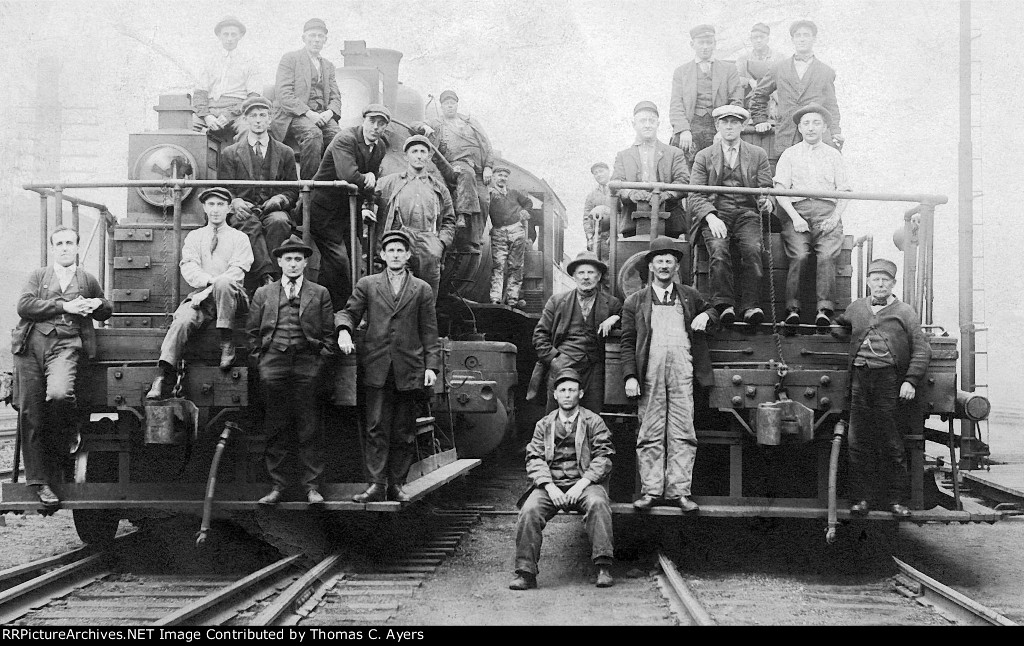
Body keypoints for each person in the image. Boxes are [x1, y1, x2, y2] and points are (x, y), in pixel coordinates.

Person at [336, 230, 441, 504]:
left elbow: (429, 332)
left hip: (408, 367)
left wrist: (432, 367)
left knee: (404, 431)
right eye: (390, 250)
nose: (395, 255)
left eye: (400, 251)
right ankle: (376, 485)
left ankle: (397, 484)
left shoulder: (421, 289)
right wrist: (344, 330)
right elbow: (348, 311)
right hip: (377, 366)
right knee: (375, 427)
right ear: (382, 255)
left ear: (408, 255)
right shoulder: (368, 284)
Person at [13, 226, 112, 506]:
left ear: (77, 248)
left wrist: (96, 303)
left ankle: (70, 432)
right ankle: (40, 483)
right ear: (53, 248)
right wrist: (64, 307)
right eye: (60, 243)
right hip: (32, 346)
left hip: (67, 345)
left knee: (59, 394)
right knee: (30, 412)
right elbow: (24, 306)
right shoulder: (39, 276)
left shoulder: (87, 278)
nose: (65, 247)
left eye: (70, 243)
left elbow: (106, 308)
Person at [620, 237, 717, 512]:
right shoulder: (635, 301)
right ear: (650, 266)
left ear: (676, 267)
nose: (664, 266)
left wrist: (707, 316)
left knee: (683, 430)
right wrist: (630, 376)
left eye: (669, 261)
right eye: (659, 261)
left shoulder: (689, 295)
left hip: (682, 370)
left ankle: (679, 492)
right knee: (649, 431)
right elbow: (628, 341)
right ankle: (650, 491)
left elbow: (714, 311)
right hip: (649, 372)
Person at [834, 259, 931, 518]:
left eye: (885, 280)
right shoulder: (856, 308)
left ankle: (896, 500)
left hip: (889, 380)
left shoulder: (905, 312)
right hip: (859, 380)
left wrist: (910, 380)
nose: (880, 284)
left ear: (893, 284)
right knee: (857, 441)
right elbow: (842, 323)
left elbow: (922, 349)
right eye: (875, 279)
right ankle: (860, 499)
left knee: (891, 441)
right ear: (868, 282)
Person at [248, 237, 335, 506]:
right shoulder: (264, 293)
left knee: (310, 427)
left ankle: (311, 487)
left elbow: (329, 336)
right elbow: (251, 333)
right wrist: (261, 363)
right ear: (279, 262)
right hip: (273, 363)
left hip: (308, 364)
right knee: (276, 426)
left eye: (298, 259)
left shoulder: (320, 293)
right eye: (288, 259)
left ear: (306, 262)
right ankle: (278, 486)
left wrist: (320, 363)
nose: (293, 264)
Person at [511, 367, 615, 591]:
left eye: (572, 390)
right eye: (563, 390)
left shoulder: (594, 422)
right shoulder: (544, 425)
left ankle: (603, 567)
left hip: (585, 484)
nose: (567, 394)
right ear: (555, 394)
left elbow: (603, 458)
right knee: (529, 510)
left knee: (598, 503)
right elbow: (534, 458)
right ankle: (525, 572)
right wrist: (549, 487)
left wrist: (582, 484)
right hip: (552, 485)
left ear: (581, 394)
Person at [146, 188, 253, 400]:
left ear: (229, 208)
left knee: (224, 283)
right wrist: (207, 287)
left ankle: (226, 343)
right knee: (182, 320)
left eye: (220, 205)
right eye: (211, 205)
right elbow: (189, 268)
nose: (215, 210)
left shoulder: (239, 238)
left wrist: (210, 290)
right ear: (204, 208)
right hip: (201, 297)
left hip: (233, 299)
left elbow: (237, 272)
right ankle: (163, 374)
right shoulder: (195, 237)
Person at [688, 105, 774, 326]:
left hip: (747, 214)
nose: (729, 126)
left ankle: (750, 306)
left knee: (753, 249)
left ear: (743, 126)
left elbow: (766, 189)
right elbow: (695, 194)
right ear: (717, 125)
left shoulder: (758, 154)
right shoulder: (704, 156)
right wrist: (710, 217)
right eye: (724, 122)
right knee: (718, 249)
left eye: (734, 122)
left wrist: (766, 203)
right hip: (717, 213)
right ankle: (723, 306)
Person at [773, 103, 851, 330]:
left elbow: (845, 191)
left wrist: (835, 217)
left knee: (826, 255)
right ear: (799, 127)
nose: (811, 128)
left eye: (816, 123)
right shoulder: (789, 154)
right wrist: (795, 217)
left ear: (825, 127)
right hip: (797, 213)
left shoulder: (834, 156)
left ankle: (824, 311)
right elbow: (780, 191)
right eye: (806, 123)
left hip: (827, 212)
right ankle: (792, 310)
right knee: (799, 255)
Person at [310, 104, 392, 311]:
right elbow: (348, 175)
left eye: (381, 124)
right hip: (324, 209)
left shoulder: (379, 147)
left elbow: (367, 184)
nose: (376, 127)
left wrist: (366, 205)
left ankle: (323, 309)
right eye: (372, 121)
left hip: (348, 210)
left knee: (339, 262)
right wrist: (369, 178)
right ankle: (344, 310)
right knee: (339, 261)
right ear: (363, 121)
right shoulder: (345, 139)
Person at [219, 96, 298, 286]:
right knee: (248, 224)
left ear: (269, 120)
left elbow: (292, 190)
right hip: (243, 210)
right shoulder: (230, 153)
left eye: (263, 115)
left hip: (273, 209)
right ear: (246, 120)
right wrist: (235, 202)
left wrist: (280, 198)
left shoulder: (285, 152)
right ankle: (266, 278)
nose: (258, 120)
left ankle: (278, 278)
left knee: (279, 222)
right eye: (253, 116)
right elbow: (224, 189)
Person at [532, 252, 621, 415]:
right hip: (562, 365)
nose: (586, 277)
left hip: (593, 369)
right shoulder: (557, 302)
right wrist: (554, 359)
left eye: (591, 272)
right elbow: (539, 335)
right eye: (581, 273)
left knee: (591, 417)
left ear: (599, 276)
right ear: (574, 276)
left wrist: (614, 318)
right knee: (556, 417)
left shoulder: (612, 304)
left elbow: (628, 321)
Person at [372, 134, 456, 302]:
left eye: (423, 152)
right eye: (414, 151)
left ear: (429, 156)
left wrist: (440, 244)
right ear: (406, 156)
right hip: (401, 241)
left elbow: (449, 220)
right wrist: (365, 209)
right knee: (397, 295)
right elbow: (368, 197)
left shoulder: (439, 188)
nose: (419, 155)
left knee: (427, 299)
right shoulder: (389, 182)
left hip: (429, 245)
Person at [749, 20, 844, 164]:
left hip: (816, 136)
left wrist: (835, 130)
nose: (802, 39)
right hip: (787, 134)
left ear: (814, 39)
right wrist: (760, 120)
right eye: (798, 35)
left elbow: (831, 105)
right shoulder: (779, 68)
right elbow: (759, 95)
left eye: (806, 35)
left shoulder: (826, 71)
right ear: (793, 39)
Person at [416, 90, 494, 250]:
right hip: (454, 165)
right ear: (442, 106)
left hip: (478, 168)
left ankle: (474, 239)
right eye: (446, 104)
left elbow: (487, 144)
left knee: (484, 200)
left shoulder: (471, 122)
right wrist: (423, 126)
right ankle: (462, 218)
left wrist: (488, 167)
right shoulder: (436, 122)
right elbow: (413, 125)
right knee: (466, 174)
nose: (450, 106)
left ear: (457, 104)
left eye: (452, 103)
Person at [271, 18, 342, 180]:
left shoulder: (328, 66)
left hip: (322, 114)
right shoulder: (290, 59)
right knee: (313, 134)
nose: (316, 40)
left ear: (325, 40)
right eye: (312, 36)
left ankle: (333, 188)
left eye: (320, 36)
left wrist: (329, 113)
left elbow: (336, 96)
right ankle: (309, 188)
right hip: (294, 114)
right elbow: (284, 94)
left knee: (341, 139)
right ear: (304, 38)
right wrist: (309, 114)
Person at [611, 101, 689, 239]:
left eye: (651, 121)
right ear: (633, 124)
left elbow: (684, 181)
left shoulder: (674, 153)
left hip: (670, 224)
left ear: (658, 124)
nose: (647, 125)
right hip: (632, 224)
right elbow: (616, 184)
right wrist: (631, 194)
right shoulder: (623, 156)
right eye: (642, 121)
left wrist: (666, 195)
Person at [668, 24, 744, 161]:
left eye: (709, 42)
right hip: (691, 126)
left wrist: (724, 130)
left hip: (718, 126)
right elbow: (676, 104)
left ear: (714, 44)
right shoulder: (681, 72)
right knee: (683, 164)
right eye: (701, 42)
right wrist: (684, 130)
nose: (705, 46)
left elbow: (736, 101)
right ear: (692, 44)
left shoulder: (729, 69)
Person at [192, 16, 261, 141]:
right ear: (219, 36)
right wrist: (207, 116)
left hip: (239, 112)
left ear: (240, 36)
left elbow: (253, 97)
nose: (229, 39)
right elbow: (199, 94)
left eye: (233, 34)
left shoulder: (250, 61)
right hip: (210, 110)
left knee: (250, 130)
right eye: (226, 34)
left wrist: (230, 114)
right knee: (185, 128)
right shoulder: (209, 60)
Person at [486, 165, 533, 307]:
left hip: (516, 231)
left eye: (505, 176)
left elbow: (528, 202)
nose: (502, 178)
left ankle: (513, 298)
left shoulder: (514, 193)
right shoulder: (490, 194)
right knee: (498, 265)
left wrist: (524, 212)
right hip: (499, 231)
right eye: (500, 175)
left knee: (516, 265)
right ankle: (495, 298)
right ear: (493, 177)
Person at [734, 23, 784, 112]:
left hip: (774, 103)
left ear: (767, 39)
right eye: (755, 38)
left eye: (762, 37)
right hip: (751, 102)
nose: (758, 40)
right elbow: (735, 78)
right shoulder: (743, 59)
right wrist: (749, 81)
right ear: (751, 40)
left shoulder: (778, 58)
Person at [583, 162, 611, 261]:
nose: (599, 175)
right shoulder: (592, 195)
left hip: (614, 236)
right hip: (598, 237)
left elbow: (623, 212)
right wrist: (590, 237)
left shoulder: (617, 190)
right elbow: (586, 217)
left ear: (608, 171)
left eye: (601, 171)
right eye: (596, 173)